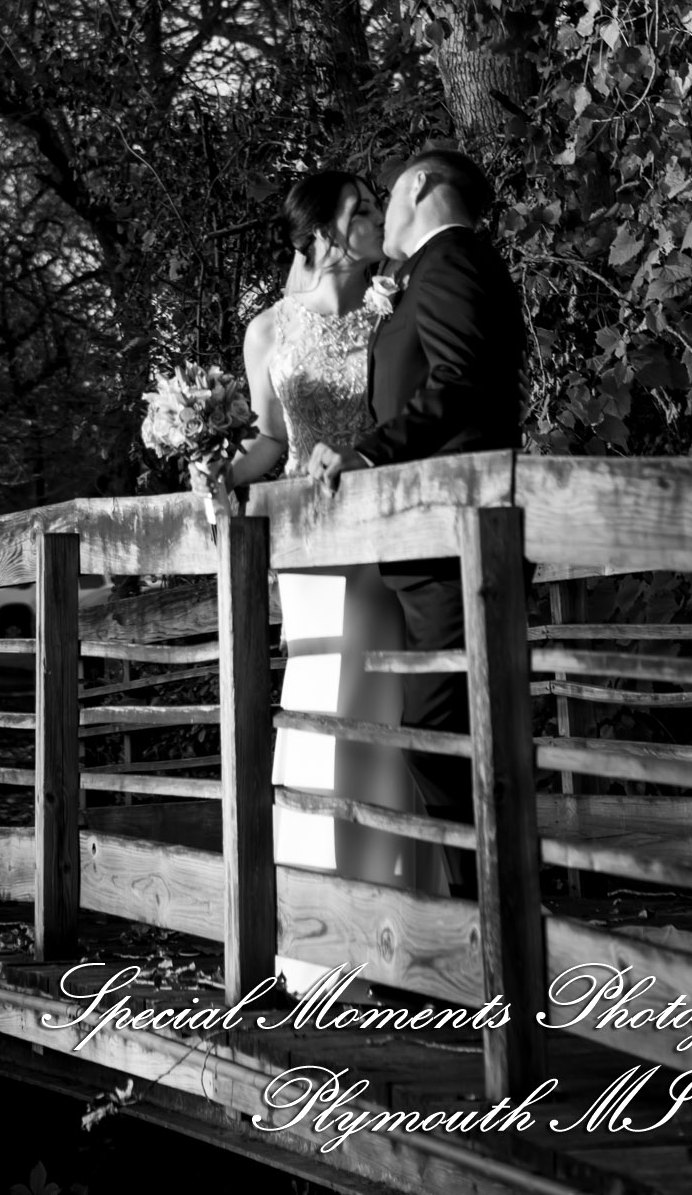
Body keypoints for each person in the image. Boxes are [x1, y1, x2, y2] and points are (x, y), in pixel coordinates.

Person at [216, 168, 445, 990]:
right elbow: (269, 444)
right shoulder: (268, 332)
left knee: (384, 727)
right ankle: (316, 943)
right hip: (309, 561)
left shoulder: (393, 310)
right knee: (319, 729)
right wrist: (216, 467)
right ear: (316, 236)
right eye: (357, 212)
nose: (373, 220)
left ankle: (402, 933)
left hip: (384, 547)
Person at [306, 147, 527, 897]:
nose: (384, 216)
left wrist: (370, 454)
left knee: (442, 740)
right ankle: (473, 913)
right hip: (432, 541)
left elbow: (460, 380)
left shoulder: (452, 263)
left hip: (451, 538)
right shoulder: (443, 269)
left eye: (388, 197)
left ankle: (481, 919)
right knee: (442, 737)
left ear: (421, 187)